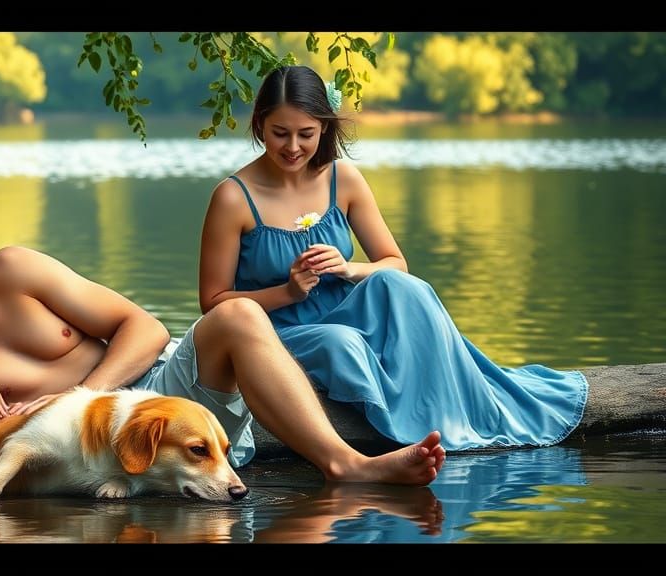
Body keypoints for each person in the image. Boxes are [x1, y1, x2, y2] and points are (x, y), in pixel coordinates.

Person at [0, 247, 445, 486]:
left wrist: (80, 396)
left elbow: (144, 329)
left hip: (159, 388)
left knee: (239, 316)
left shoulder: (7, 273)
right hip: (100, 453)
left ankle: (344, 466)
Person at [199, 65, 588, 452]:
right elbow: (213, 303)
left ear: (324, 128)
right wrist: (288, 291)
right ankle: (413, 439)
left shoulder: (343, 179)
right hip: (278, 334)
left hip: (350, 313)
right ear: (260, 124)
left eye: (307, 134)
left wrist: (349, 269)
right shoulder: (233, 198)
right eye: (280, 133)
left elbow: (394, 262)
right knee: (342, 342)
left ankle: (455, 414)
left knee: (403, 286)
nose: (293, 147)